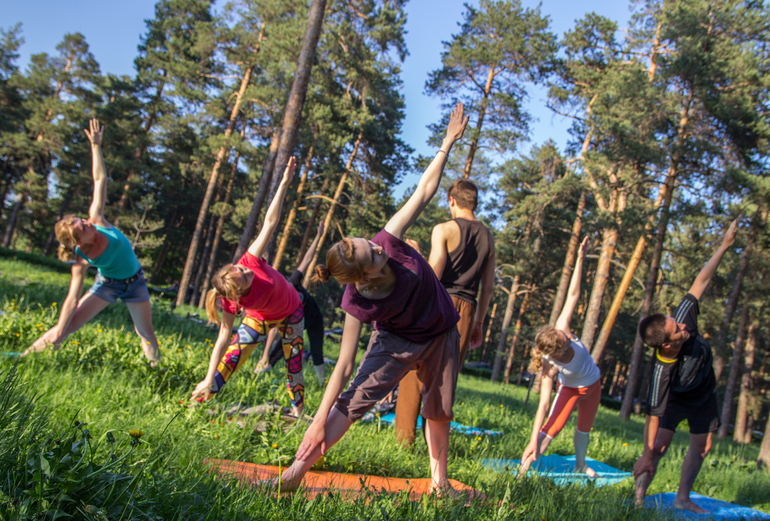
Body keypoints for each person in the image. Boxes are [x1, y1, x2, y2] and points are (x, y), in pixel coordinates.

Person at [269, 103, 469, 494]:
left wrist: (446, 143)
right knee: (353, 401)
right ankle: (293, 476)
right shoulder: (357, 304)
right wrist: (316, 418)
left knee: (439, 408)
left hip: (441, 330)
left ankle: (439, 483)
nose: (380, 249)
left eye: (370, 244)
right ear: (364, 278)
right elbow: (344, 365)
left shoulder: (386, 240)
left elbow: (424, 191)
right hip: (395, 341)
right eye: (373, 255)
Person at [23, 119, 160, 365]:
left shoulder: (96, 219)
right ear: (79, 242)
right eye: (82, 227)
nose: (87, 223)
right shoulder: (81, 259)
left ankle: (157, 371)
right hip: (108, 285)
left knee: (146, 333)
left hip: (135, 282)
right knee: (66, 327)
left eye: (81, 220)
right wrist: (62, 330)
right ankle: (24, 359)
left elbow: (100, 180)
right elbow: (72, 299)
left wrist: (95, 146)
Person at [634, 220, 738, 513]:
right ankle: (638, 501)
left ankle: (682, 498)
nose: (682, 325)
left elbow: (701, 281)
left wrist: (724, 245)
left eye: (677, 321)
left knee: (702, 448)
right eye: (676, 329)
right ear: (667, 344)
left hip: (704, 396)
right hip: (675, 401)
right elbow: (653, 417)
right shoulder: (661, 371)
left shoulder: (683, 318)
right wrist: (645, 453)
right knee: (657, 449)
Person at [191, 157, 306, 416]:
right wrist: (209, 376)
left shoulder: (249, 259)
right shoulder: (231, 302)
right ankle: (198, 402)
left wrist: (285, 183)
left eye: (241, 268)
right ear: (239, 294)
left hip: (292, 312)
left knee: (294, 363)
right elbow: (222, 340)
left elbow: (270, 223)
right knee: (231, 356)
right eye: (244, 276)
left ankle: (298, 414)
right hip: (259, 319)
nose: (247, 271)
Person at [395, 178, 495, 446]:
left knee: (414, 370)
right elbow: (488, 288)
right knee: (444, 379)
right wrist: (478, 322)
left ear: (452, 200)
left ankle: (403, 442)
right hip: (467, 310)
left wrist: (415, 254)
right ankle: (434, 446)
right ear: (474, 202)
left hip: (439, 303)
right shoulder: (488, 237)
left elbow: (434, 273)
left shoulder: (444, 229)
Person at [519, 237, 599, 477]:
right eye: (565, 340)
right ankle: (522, 472)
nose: (567, 335)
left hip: (594, 385)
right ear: (558, 350)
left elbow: (573, 294)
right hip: (571, 390)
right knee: (550, 429)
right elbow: (543, 405)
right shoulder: (549, 364)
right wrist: (533, 438)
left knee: (583, 430)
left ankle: (580, 464)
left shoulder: (562, 328)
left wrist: (580, 259)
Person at [256, 222, 327, 386]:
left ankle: (322, 384)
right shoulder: (281, 305)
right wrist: (264, 354)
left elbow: (307, 259)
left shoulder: (292, 282)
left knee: (317, 351)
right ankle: (263, 369)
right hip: (298, 321)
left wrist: (318, 235)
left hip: (314, 318)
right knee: (282, 345)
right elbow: (274, 330)